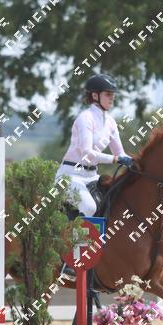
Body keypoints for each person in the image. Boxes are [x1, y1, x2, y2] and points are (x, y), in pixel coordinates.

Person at [56, 73, 135, 276]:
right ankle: (70, 259)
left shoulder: (111, 122)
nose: (112, 98)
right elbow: (87, 153)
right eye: (108, 94)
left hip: (91, 176)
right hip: (70, 175)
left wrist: (136, 162)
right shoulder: (85, 118)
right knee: (89, 206)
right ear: (94, 95)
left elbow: (120, 152)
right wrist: (115, 160)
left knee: (112, 203)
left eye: (113, 95)